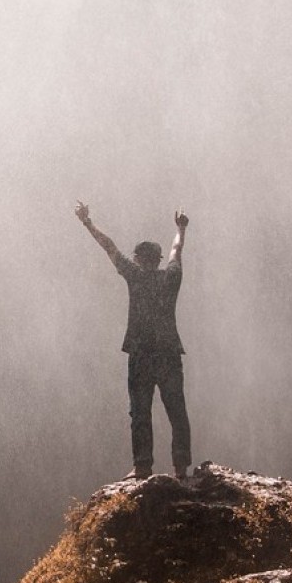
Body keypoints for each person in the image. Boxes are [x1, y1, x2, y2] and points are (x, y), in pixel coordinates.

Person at [75, 202, 191, 480]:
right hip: (168, 352)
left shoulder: (136, 276)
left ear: (138, 259)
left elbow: (110, 247)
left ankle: (142, 466)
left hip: (141, 354)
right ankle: (181, 467)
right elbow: (177, 249)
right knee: (176, 409)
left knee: (140, 411)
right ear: (159, 259)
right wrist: (181, 228)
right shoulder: (171, 278)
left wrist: (87, 223)